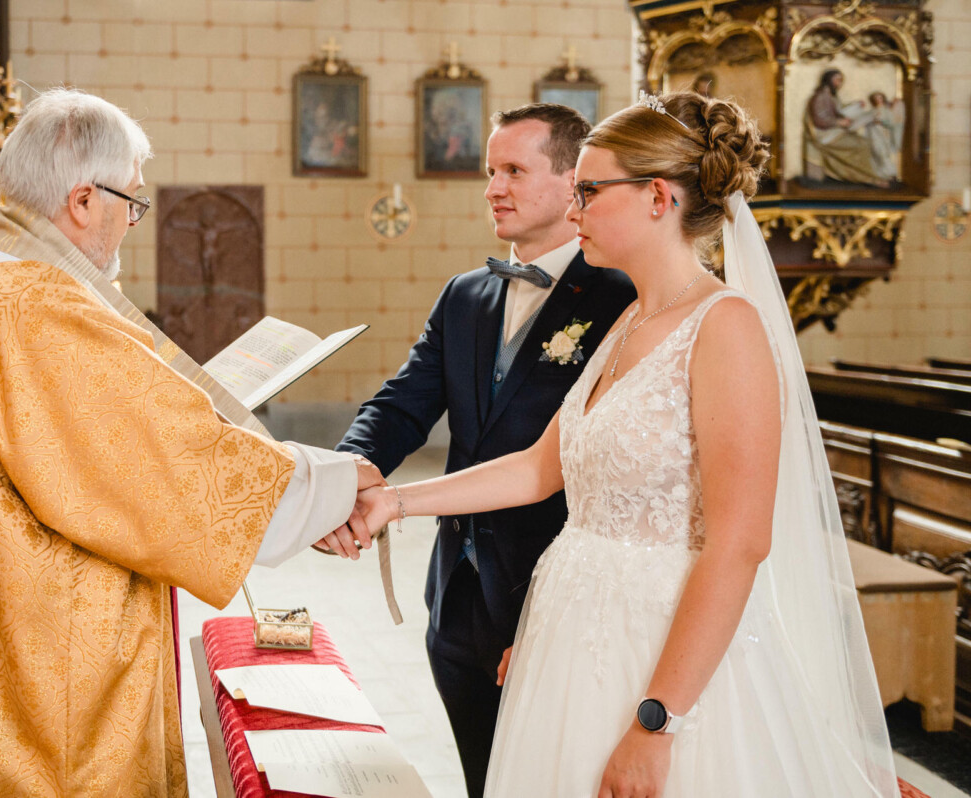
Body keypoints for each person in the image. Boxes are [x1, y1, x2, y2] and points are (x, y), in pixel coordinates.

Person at [354, 91, 899, 797]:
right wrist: (391, 503)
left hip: (663, 655)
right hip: (572, 640)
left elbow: (740, 543)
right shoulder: (633, 321)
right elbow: (536, 468)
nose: (574, 210)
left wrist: (655, 723)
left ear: (657, 197)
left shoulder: (725, 327)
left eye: (588, 190)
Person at [0, 88, 380, 797]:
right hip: (48, 681)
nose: (131, 222)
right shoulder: (34, 306)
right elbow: (158, 461)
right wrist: (333, 487)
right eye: (131, 202)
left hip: (10, 637)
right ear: (83, 200)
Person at [337, 103, 635, 797]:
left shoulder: (623, 298)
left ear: (573, 182)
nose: (492, 188)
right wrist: (347, 473)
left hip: (550, 596)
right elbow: (403, 404)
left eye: (513, 170)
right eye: (489, 171)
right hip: (459, 594)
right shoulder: (466, 295)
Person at [804, 68, 884, 186]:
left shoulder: (831, 96)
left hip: (834, 132)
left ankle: (869, 175)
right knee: (862, 144)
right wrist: (839, 123)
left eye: (841, 80)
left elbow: (839, 110)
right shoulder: (820, 97)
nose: (840, 83)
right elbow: (819, 120)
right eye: (837, 80)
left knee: (863, 141)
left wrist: (855, 105)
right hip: (825, 135)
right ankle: (868, 178)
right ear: (828, 80)